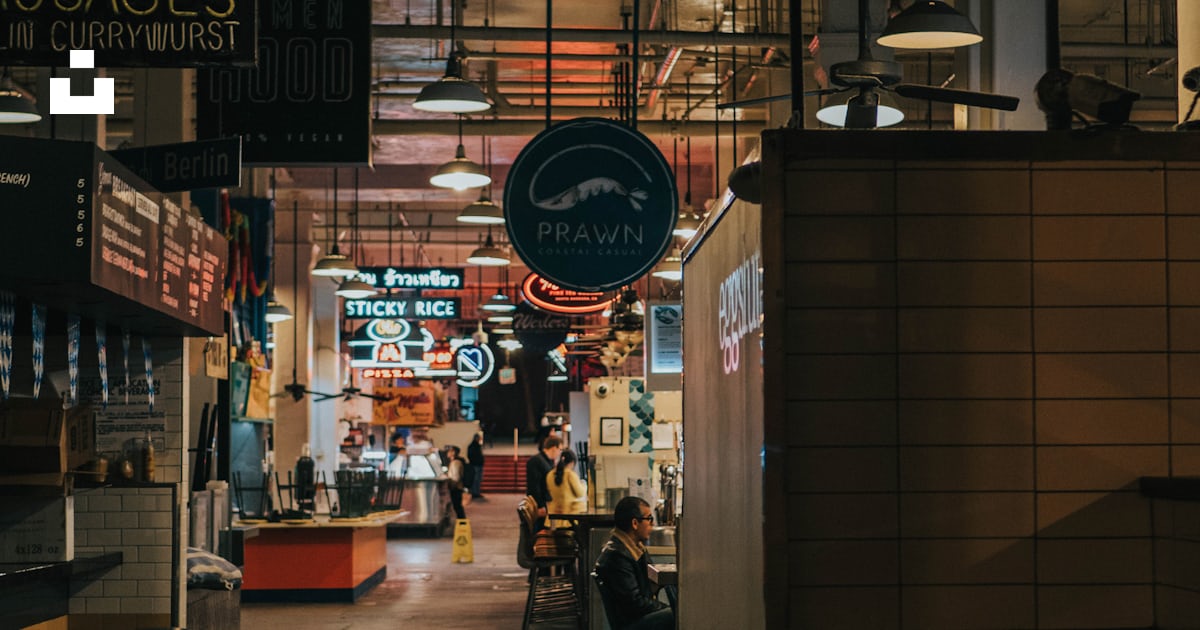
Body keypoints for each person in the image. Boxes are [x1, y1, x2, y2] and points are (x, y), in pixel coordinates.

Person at [593, 496, 674, 630]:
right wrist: (665, 608)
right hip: (631, 623)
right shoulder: (617, 556)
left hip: (635, 618)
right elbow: (635, 604)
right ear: (635, 523)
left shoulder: (634, 548)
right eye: (649, 519)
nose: (652, 524)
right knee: (675, 615)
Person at [524, 435, 562, 523]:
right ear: (553, 448)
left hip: (545, 503)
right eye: (559, 449)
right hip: (540, 505)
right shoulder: (536, 461)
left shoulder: (547, 461)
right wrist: (540, 505)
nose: (559, 452)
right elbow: (534, 486)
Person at [545, 449, 586, 527]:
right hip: (569, 519)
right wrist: (584, 484)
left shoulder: (550, 474)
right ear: (572, 463)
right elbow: (580, 493)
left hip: (553, 520)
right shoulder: (570, 475)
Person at [445, 445, 467, 519]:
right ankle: (461, 522)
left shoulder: (455, 463)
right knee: (457, 506)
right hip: (457, 487)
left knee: (457, 506)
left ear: (453, 452)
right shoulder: (455, 462)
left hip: (456, 488)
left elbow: (455, 477)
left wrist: (450, 485)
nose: (447, 453)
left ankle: (462, 523)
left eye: (449, 451)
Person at [466, 431, 486, 499]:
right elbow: (471, 455)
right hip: (476, 465)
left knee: (477, 479)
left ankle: (476, 492)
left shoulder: (476, 446)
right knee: (476, 479)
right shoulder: (473, 446)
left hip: (478, 464)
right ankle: (475, 492)